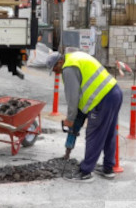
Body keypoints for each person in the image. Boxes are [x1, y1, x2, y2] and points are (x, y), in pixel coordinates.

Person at [46, 51, 122, 181]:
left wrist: (70, 120)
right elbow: (83, 94)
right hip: (114, 93)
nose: (56, 73)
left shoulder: (68, 68)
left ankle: (85, 172)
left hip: (101, 100)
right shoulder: (75, 57)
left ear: (59, 62)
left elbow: (73, 98)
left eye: (55, 69)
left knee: (94, 135)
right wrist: (77, 120)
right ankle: (108, 169)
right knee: (109, 133)